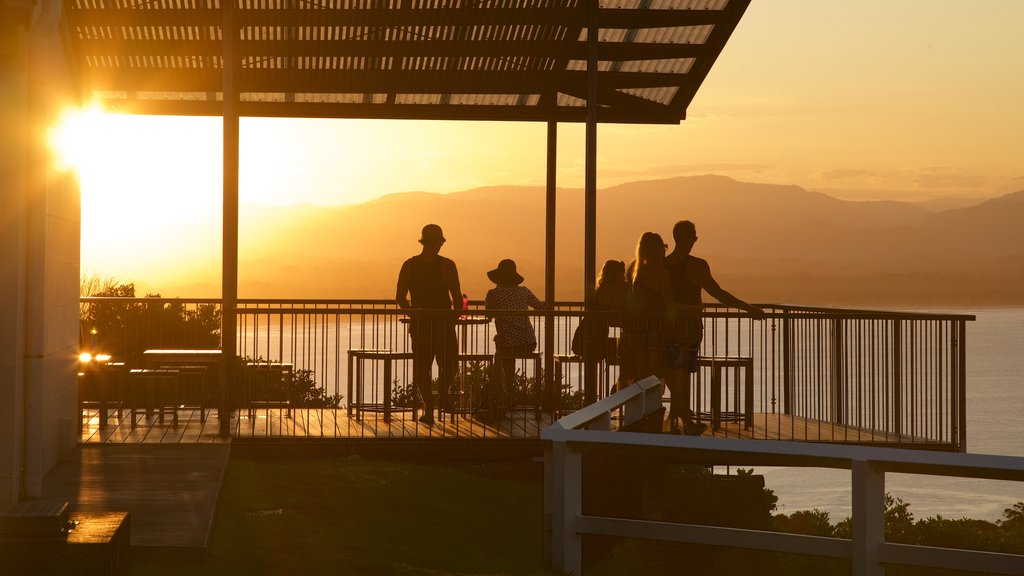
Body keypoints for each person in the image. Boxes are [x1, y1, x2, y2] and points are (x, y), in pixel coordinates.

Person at [664, 219, 765, 434]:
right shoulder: (697, 265)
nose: (694, 241)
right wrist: (748, 308)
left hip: (665, 329)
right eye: (694, 237)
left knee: (673, 372)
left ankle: (677, 415)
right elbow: (719, 294)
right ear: (690, 239)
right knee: (682, 372)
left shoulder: (662, 265)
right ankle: (683, 416)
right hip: (689, 331)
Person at [395, 224, 463, 426]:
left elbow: (400, 298)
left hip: (428, 324)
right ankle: (436, 401)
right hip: (437, 324)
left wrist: (414, 314)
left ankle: (432, 406)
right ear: (434, 243)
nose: (440, 246)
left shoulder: (411, 265)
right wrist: (453, 317)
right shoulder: (445, 265)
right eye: (439, 242)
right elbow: (457, 297)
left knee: (429, 368)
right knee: (443, 365)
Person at [484, 259, 546, 422]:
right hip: (528, 342)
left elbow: (489, 315)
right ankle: (510, 399)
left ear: (498, 279)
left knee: (502, 349)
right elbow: (540, 306)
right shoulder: (524, 291)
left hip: (507, 344)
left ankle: (505, 398)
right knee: (504, 345)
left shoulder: (493, 294)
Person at [623, 232, 675, 394]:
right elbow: (670, 303)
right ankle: (653, 409)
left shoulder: (634, 270)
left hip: (634, 329)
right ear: (658, 249)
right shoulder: (660, 273)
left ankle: (636, 409)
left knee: (637, 373)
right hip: (655, 329)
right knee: (655, 372)